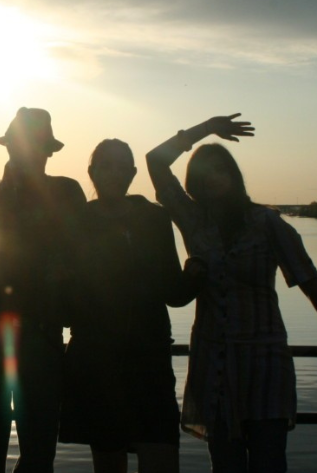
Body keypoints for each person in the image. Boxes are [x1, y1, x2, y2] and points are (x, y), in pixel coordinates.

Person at [145, 114, 317, 473]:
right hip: (213, 363)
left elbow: (312, 287)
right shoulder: (192, 220)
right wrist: (206, 129)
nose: (213, 178)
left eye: (220, 170)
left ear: (234, 176)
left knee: (269, 462)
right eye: (203, 173)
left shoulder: (267, 223)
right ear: (193, 183)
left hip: (264, 362)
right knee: (226, 464)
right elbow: (155, 161)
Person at [59, 139, 199, 473]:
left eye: (122, 167)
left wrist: (196, 271)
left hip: (149, 358)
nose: (114, 173)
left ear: (134, 174)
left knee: (161, 453)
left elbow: (173, 292)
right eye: (106, 166)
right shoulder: (76, 222)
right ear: (92, 172)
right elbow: (65, 301)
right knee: (109, 460)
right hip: (96, 362)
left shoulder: (155, 218)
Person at [0, 107, 86, 473]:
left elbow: (81, 254)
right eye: (18, 146)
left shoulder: (66, 190)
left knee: (38, 453)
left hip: (42, 331)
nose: (26, 153)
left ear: (48, 151)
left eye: (34, 146)